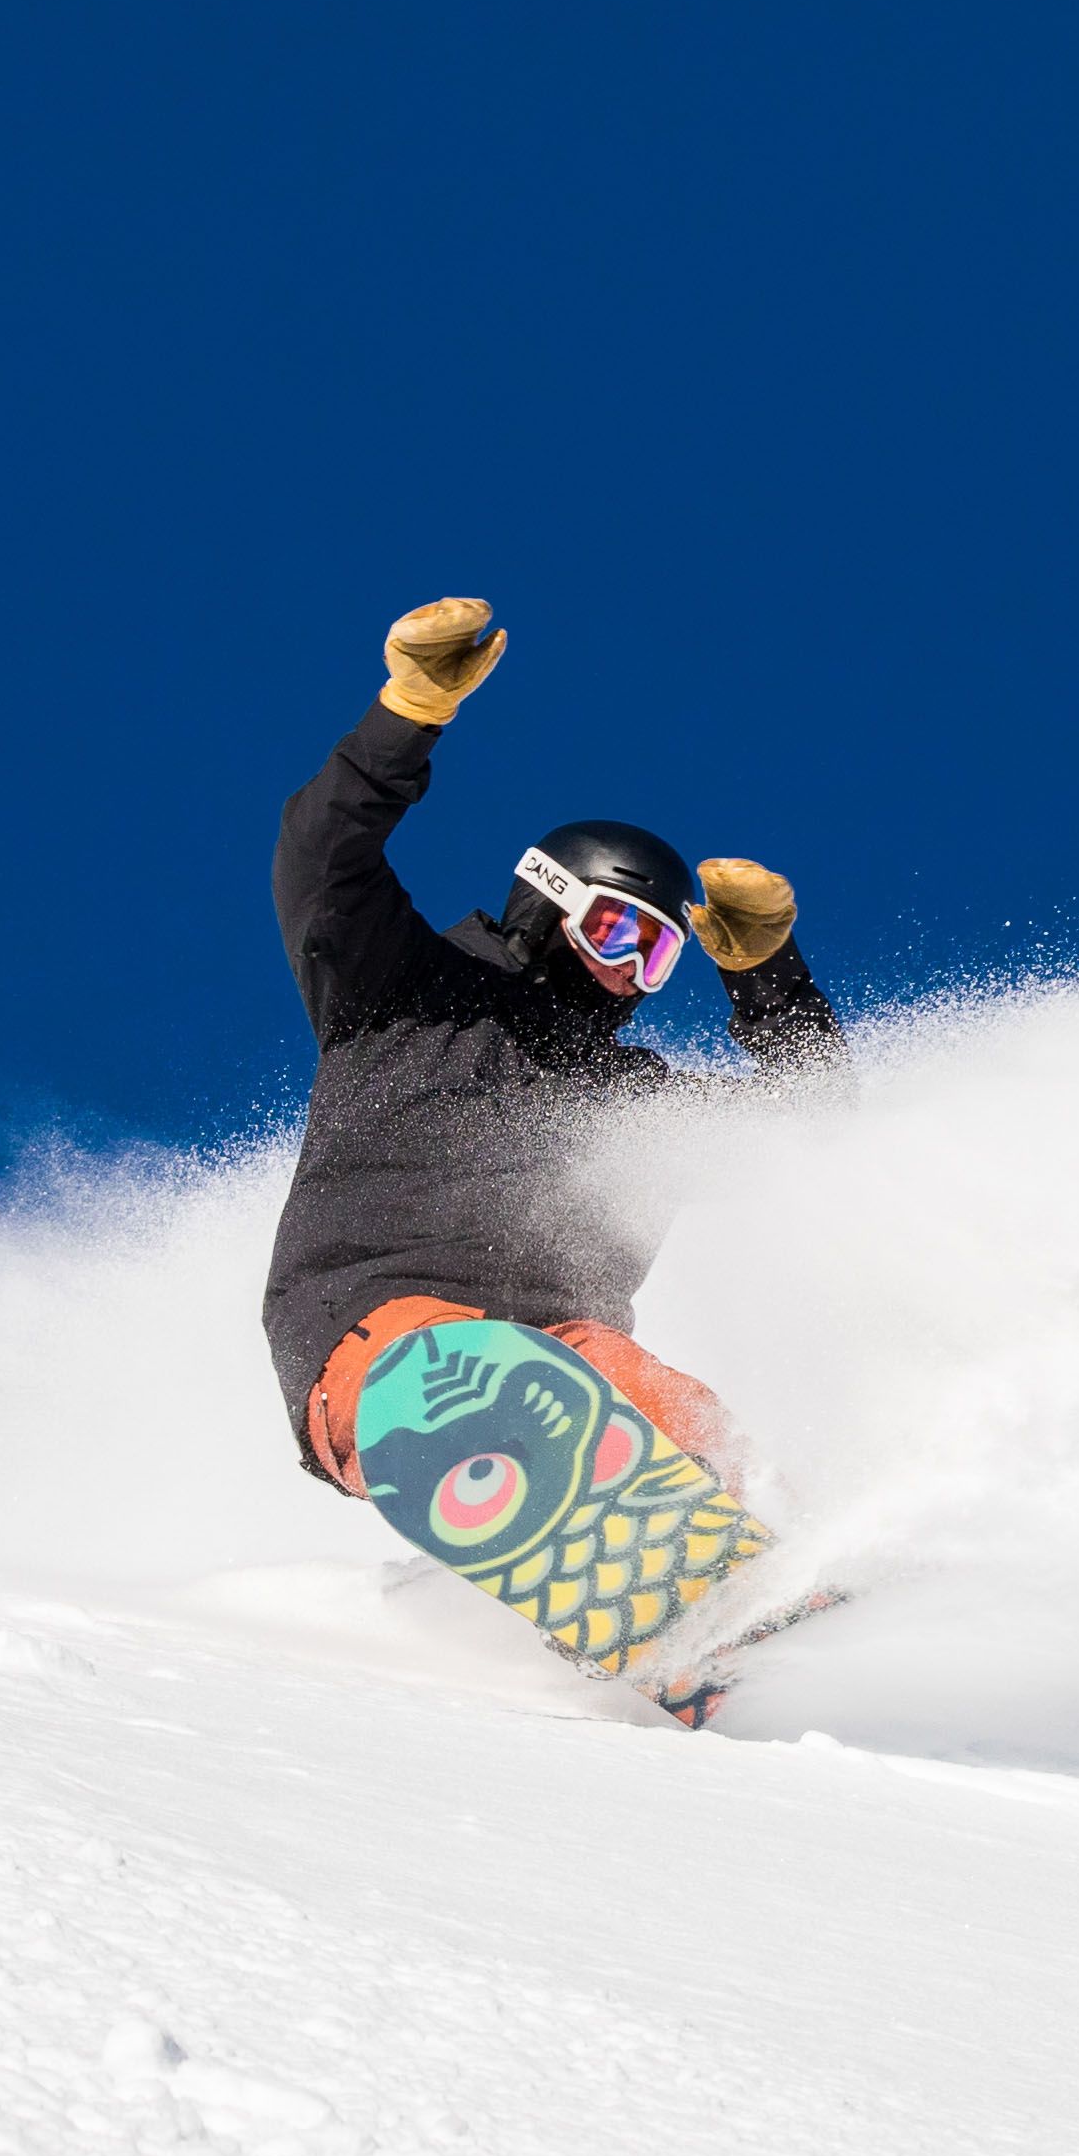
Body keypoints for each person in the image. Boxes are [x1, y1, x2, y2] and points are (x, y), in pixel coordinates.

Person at [261, 594, 842, 1548]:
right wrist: (408, 712)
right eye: (618, 930)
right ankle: (504, 1459)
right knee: (479, 1373)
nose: (629, 969)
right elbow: (320, 858)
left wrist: (764, 973)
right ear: (549, 899)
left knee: (671, 1407)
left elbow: (814, 1129)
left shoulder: (634, 1103)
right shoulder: (400, 988)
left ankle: (755, 1557)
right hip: (378, 1329)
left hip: (571, 1361)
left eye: (657, 955)